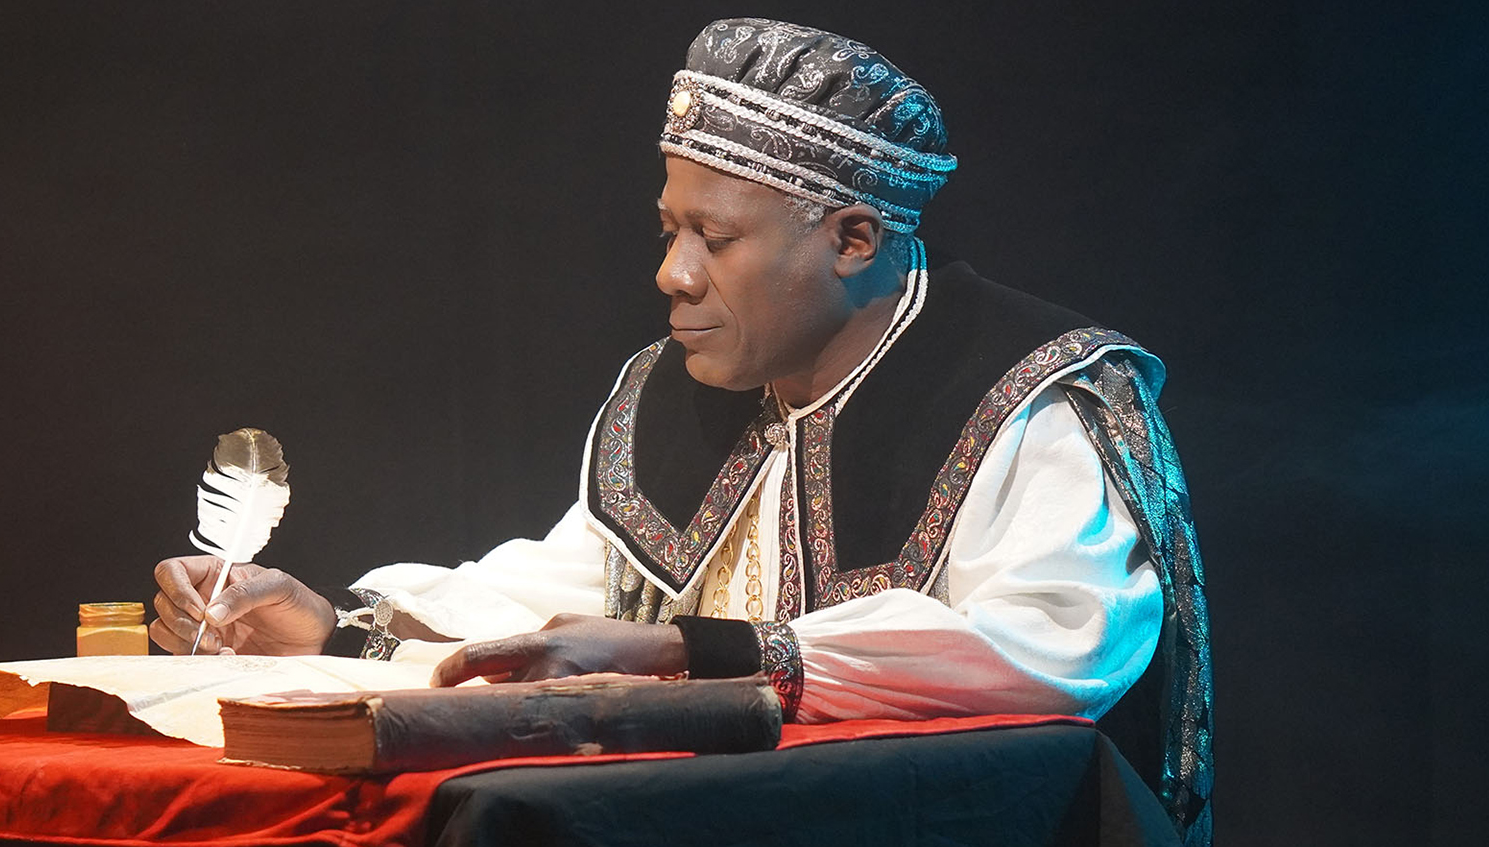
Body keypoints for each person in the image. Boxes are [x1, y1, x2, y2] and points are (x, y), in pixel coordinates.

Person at [150, 18, 1210, 844]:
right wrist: (342, 627)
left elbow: (1054, 640)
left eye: (716, 235)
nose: (673, 273)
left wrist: (689, 651)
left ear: (853, 237)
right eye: (670, 229)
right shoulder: (675, 384)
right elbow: (569, 593)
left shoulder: (1029, 391)